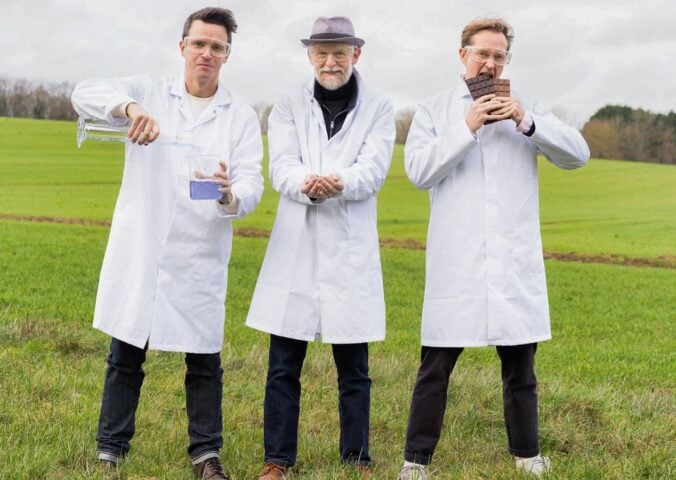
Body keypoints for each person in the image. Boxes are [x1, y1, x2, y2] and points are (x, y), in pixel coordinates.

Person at [71, 7, 263, 479]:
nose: (206, 53)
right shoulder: (151, 92)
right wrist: (131, 110)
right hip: (145, 247)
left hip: (199, 252)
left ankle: (206, 456)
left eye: (217, 47)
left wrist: (228, 192)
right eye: (199, 43)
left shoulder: (240, 117)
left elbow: (253, 182)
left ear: (227, 55)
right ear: (183, 47)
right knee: (126, 351)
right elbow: (83, 92)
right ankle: (110, 448)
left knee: (203, 362)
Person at [396, 17, 590, 480]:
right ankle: (416, 461)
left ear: (506, 60)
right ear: (462, 55)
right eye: (482, 52)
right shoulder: (436, 110)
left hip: (512, 260)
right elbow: (419, 172)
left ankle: (527, 456)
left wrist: (526, 121)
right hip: (456, 261)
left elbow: (577, 154)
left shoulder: (526, 107)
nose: (490, 61)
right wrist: (466, 127)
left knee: (521, 370)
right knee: (435, 366)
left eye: (499, 55)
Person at [245, 16, 395, 480]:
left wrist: (340, 181)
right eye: (322, 53)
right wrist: (307, 184)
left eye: (340, 53)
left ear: (357, 54)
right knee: (283, 365)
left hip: (349, 246)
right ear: (310, 55)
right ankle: (278, 460)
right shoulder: (288, 103)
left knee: (354, 368)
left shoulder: (380, 107)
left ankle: (357, 458)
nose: (331, 62)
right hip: (298, 244)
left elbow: (373, 169)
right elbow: (282, 166)